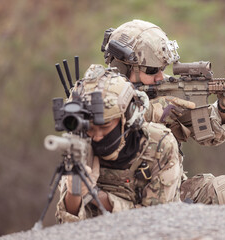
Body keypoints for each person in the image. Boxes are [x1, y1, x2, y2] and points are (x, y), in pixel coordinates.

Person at [100, 19, 225, 205]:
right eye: (151, 70)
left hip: (167, 189)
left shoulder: (164, 88)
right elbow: (109, 120)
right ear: (122, 68)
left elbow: (210, 135)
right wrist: (156, 111)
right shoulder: (93, 93)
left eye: (162, 68)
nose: (160, 76)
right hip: (118, 198)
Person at [56, 65, 183, 223]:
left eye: (105, 127)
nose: (97, 137)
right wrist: (74, 193)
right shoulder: (79, 148)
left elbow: (156, 220)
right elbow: (68, 228)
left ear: (127, 116)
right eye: (90, 129)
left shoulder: (160, 144)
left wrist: (94, 195)